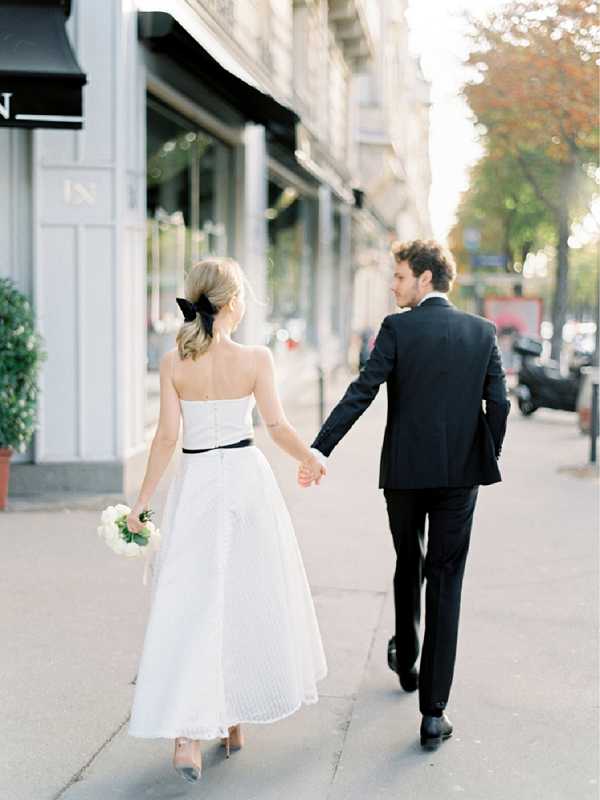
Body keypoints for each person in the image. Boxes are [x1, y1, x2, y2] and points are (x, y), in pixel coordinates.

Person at [300, 239, 510, 750]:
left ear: (425, 278)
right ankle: (434, 712)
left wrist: (319, 449)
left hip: (403, 475)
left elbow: (362, 391)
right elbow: (498, 405)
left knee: (406, 561)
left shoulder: (397, 329)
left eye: (399, 277)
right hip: (459, 477)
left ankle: (408, 655)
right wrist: (483, 455)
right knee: (446, 580)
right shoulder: (482, 333)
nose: (393, 285)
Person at [126, 257, 328, 783]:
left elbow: (167, 439)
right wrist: (310, 457)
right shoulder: (256, 357)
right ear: (234, 303)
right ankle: (233, 719)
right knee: (243, 594)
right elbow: (277, 425)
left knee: (190, 599)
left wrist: (142, 501)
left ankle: (188, 737)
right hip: (245, 479)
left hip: (195, 484)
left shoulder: (175, 362)